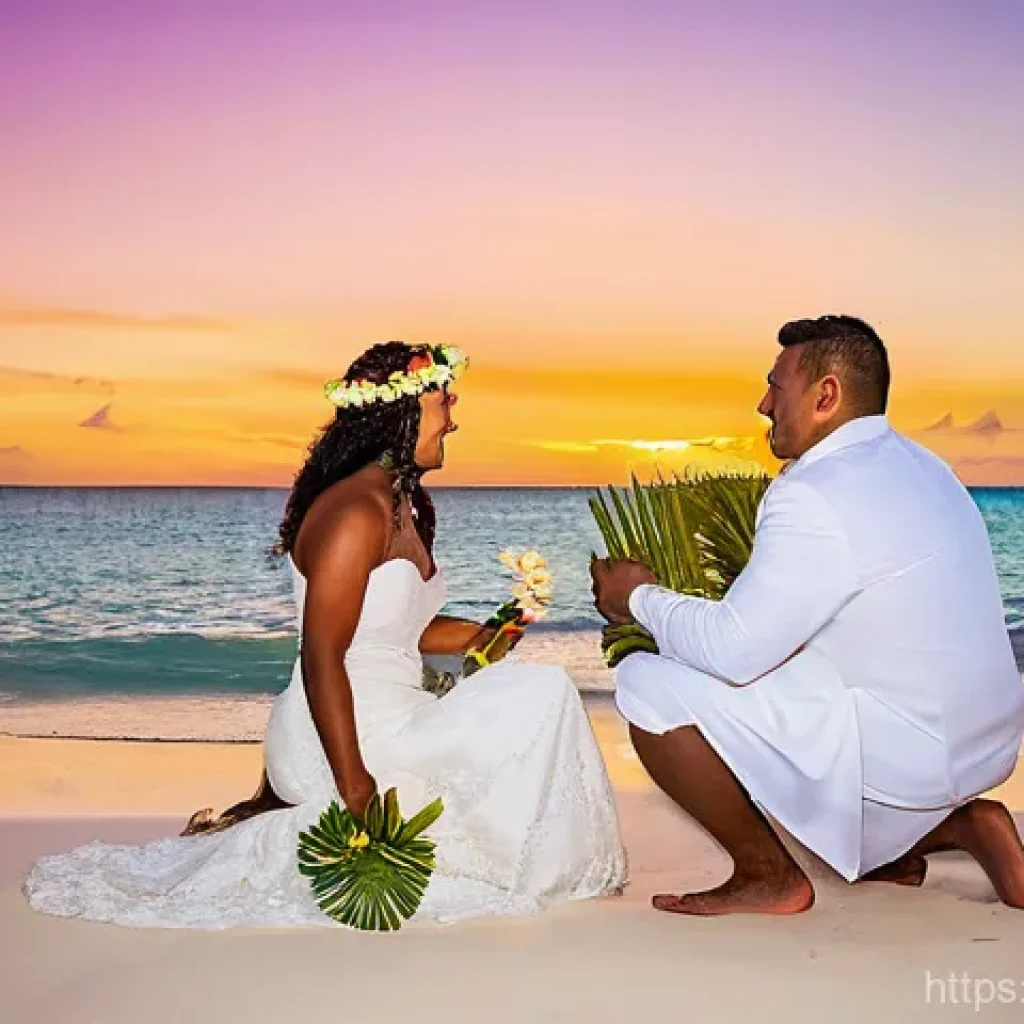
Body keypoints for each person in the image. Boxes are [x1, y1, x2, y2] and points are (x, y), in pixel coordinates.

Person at [26, 341, 626, 928]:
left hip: (396, 711)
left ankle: (545, 863)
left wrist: (501, 625)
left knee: (533, 692)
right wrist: (354, 785)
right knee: (540, 693)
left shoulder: (399, 506)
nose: (454, 420)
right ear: (403, 410)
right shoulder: (354, 514)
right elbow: (322, 657)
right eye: (446, 402)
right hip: (341, 736)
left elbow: (397, 632)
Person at [591, 315, 1024, 917]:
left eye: (776, 387)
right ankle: (960, 824)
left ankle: (767, 875)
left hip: (908, 756)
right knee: (794, 673)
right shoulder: (928, 468)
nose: (763, 403)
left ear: (825, 395)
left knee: (646, 685)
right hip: (990, 740)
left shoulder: (812, 491)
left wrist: (636, 597)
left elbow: (734, 654)